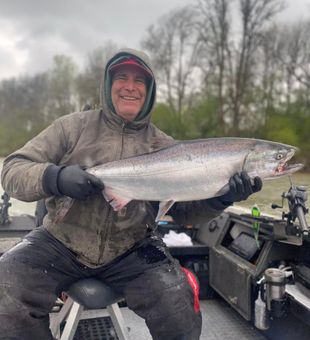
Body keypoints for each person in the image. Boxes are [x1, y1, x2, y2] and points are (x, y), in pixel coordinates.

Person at [0, 48, 262, 340]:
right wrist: (55, 177)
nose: (130, 87)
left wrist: (221, 199)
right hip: (59, 240)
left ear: (149, 91)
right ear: (108, 85)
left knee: (179, 305)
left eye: (140, 81)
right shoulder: (71, 127)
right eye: (121, 77)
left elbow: (186, 213)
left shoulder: (165, 146)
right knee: (5, 288)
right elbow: (12, 169)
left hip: (134, 247)